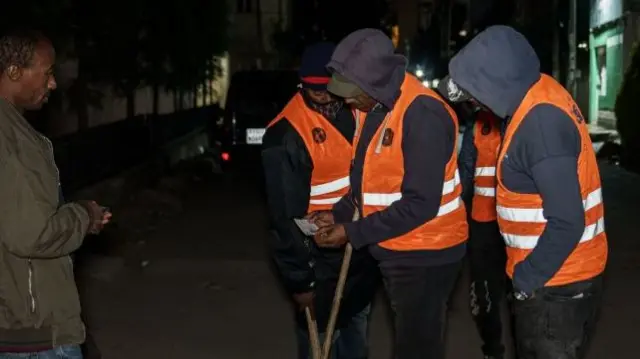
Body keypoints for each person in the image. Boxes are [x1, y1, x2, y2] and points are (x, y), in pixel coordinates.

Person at [444, 25, 608, 359]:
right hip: (557, 277)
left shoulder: (540, 125)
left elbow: (568, 220)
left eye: (474, 94)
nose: (473, 104)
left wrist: (525, 281)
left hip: (556, 286)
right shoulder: (535, 94)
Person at [308, 29, 468, 359]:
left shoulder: (422, 114)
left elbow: (421, 204)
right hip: (397, 246)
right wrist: (338, 213)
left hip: (426, 253)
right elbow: (370, 181)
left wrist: (351, 232)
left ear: (376, 83)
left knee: (416, 349)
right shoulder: (374, 107)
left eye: (352, 94)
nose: (346, 101)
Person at [261, 42, 379, 359]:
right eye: (316, 91)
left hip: (358, 250)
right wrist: (301, 284)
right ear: (302, 85)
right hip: (319, 260)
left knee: (356, 334)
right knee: (320, 345)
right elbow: (283, 220)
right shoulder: (286, 136)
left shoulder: (357, 109)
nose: (325, 97)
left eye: (330, 89)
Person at [0, 29, 111, 359]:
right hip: (33, 331)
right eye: (46, 73)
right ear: (15, 72)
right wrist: (85, 215)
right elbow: (33, 234)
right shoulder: (11, 140)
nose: (52, 84)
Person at [457, 107, 507, 359]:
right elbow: (466, 171)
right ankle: (492, 350)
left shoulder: (521, 117)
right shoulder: (476, 124)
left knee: (523, 297)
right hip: (482, 225)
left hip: (520, 227)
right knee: (483, 296)